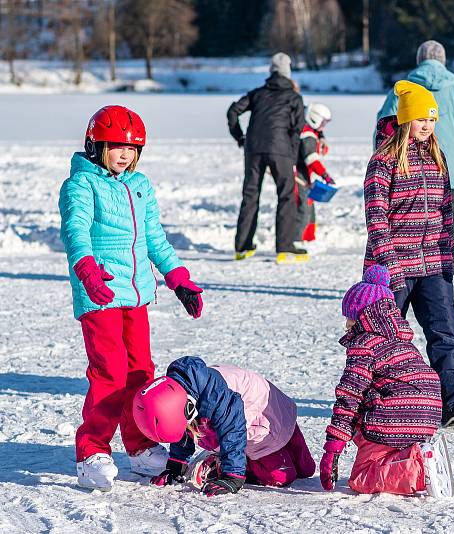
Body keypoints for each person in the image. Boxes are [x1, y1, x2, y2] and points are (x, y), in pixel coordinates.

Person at [59, 105, 204, 490]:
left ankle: (139, 446)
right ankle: (92, 451)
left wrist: (178, 279)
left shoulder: (140, 185)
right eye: (116, 147)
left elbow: (155, 238)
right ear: (95, 145)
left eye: (132, 149)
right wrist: (87, 269)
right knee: (110, 372)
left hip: (136, 292)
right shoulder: (80, 185)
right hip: (100, 291)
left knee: (140, 372)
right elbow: (76, 231)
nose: (125, 155)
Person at [365, 80, 454, 427]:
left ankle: (453, 399)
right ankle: (371, 400)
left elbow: (447, 214)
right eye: (421, 119)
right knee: (382, 338)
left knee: (446, 333)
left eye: (433, 119)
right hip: (392, 268)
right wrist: (390, 267)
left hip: (432, 264)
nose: (428, 126)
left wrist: (448, 261)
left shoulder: (437, 157)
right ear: (405, 120)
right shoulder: (383, 161)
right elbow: (376, 220)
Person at [319, 265, 453, 497]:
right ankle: (415, 454)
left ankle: (418, 468)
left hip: (395, 416)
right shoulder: (403, 341)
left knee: (361, 477)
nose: (346, 326)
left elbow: (349, 397)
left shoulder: (364, 343)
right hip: (427, 416)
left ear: (362, 317)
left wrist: (333, 447)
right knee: (377, 427)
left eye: (350, 319)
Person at [134, 356, 315, 497]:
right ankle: (229, 461)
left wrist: (232, 475)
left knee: (307, 468)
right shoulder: (180, 392)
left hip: (262, 410)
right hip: (254, 414)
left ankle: (220, 462)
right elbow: (184, 428)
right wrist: (176, 465)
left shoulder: (215, 396)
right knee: (282, 477)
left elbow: (232, 432)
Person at [376, 40, 454, 226]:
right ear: (443, 60)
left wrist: (382, 164)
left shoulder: (404, 90)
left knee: (409, 231)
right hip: (449, 173)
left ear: (419, 60)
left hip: (408, 171)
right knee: (444, 236)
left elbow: (384, 125)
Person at [227, 52, 307, 264]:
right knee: (286, 195)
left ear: (271, 72)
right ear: (288, 73)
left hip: (253, 149)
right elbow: (298, 129)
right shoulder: (294, 97)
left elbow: (233, 111)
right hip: (280, 150)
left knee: (250, 195)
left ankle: (242, 247)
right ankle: (284, 247)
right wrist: (291, 156)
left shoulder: (258, 94)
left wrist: (240, 137)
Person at [295, 102, 335, 243]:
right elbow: (311, 160)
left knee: (309, 208)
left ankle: (308, 239)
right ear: (314, 118)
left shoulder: (311, 132)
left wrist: (321, 141)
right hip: (297, 177)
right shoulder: (307, 135)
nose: (323, 126)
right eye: (323, 122)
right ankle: (296, 241)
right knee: (303, 209)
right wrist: (325, 175)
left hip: (305, 178)